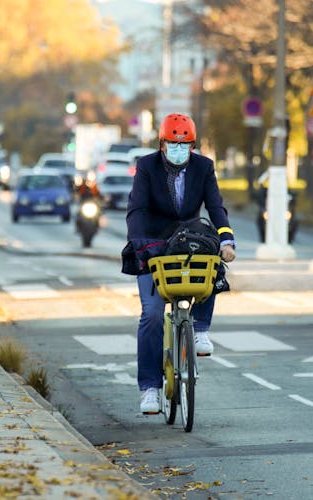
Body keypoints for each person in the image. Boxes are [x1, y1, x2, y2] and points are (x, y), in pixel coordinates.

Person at [126, 113, 236, 415]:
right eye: (172, 144)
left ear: (193, 145)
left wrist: (226, 240)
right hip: (152, 245)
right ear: (161, 145)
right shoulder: (147, 167)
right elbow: (136, 208)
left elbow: (215, 206)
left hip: (189, 240)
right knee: (150, 316)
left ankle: (200, 328)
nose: (178, 149)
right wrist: (139, 244)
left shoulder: (204, 167)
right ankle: (150, 388)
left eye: (184, 144)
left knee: (211, 258)